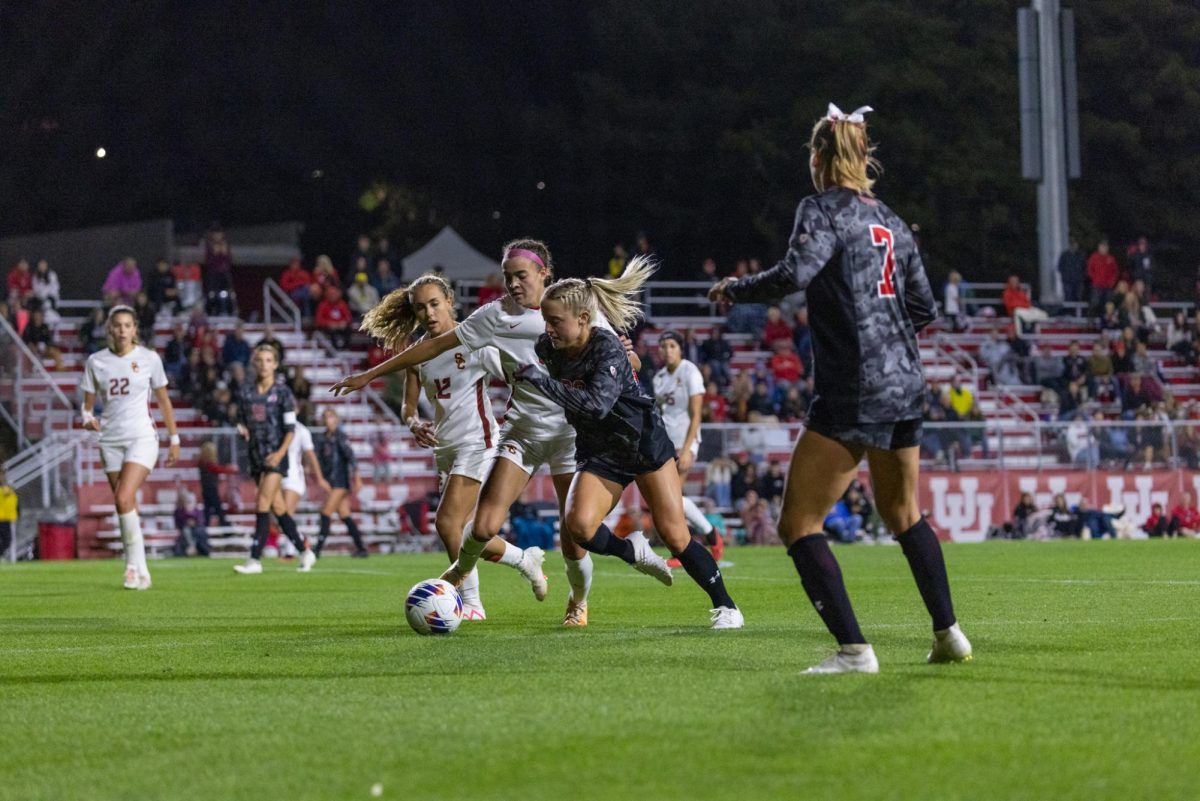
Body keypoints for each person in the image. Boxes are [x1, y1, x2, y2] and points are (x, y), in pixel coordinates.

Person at [709, 102, 971, 672]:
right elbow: (923, 305)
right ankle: (949, 634)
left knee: (798, 523)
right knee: (904, 512)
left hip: (856, 384)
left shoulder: (821, 209)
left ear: (819, 156)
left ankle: (854, 650)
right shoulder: (894, 222)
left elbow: (793, 274)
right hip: (907, 381)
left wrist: (735, 288)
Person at [332, 239, 642, 627]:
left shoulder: (577, 308)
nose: (512, 283)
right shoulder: (493, 317)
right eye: (508, 276)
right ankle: (476, 586)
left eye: (521, 276)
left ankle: (577, 601)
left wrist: (628, 358)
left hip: (569, 433)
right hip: (523, 432)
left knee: (572, 535)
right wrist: (370, 375)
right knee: (478, 526)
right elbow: (433, 349)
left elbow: (626, 361)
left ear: (544, 273)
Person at [513, 268, 744, 629]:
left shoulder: (605, 346)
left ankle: (727, 606)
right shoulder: (550, 348)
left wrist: (543, 383)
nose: (548, 329)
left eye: (555, 320)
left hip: (641, 442)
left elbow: (595, 405)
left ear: (583, 318)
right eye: (545, 320)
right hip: (600, 448)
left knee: (676, 536)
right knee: (579, 526)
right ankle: (633, 550)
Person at [362, 273, 507, 618]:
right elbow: (408, 407)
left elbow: (515, 372)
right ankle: (526, 561)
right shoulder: (418, 355)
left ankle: (471, 603)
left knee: (446, 524)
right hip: (445, 447)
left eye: (434, 304)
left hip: (479, 440)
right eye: (420, 308)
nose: (428, 314)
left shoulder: (474, 340)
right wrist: (413, 423)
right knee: (468, 531)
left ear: (450, 302)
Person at [80, 306, 181, 589]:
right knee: (124, 503)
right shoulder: (96, 362)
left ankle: (132, 569)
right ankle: (141, 569)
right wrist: (88, 420)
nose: (122, 330)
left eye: (127, 325)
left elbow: (163, 401)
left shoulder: (149, 358)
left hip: (142, 437)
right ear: (109, 329)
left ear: (135, 329)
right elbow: (86, 408)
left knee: (124, 497)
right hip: (110, 439)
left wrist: (175, 439)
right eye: (118, 325)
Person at [232, 344, 310, 574]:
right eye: (259, 360)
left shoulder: (283, 393)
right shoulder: (246, 392)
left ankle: (255, 559)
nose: (264, 365)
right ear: (254, 364)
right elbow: (240, 419)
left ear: (275, 364)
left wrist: (280, 453)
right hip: (256, 455)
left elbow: (290, 428)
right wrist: (241, 427)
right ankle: (305, 551)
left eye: (268, 360)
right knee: (278, 508)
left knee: (262, 502)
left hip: (276, 457)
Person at [651, 331, 723, 564]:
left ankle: (683, 548)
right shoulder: (659, 378)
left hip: (684, 441)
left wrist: (688, 447)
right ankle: (710, 534)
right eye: (663, 346)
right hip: (666, 443)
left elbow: (696, 414)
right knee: (672, 498)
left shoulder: (690, 371)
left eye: (672, 345)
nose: (667, 350)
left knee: (671, 498)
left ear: (680, 349)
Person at [313, 408, 368, 558]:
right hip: (332, 481)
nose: (327, 419)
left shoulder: (340, 437)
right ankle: (361, 548)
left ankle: (316, 550)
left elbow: (351, 457)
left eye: (330, 416)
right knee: (345, 515)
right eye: (325, 417)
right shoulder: (323, 438)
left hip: (340, 481)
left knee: (326, 513)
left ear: (336, 419)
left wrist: (357, 477)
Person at [273, 419, 324, 571]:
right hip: (276, 475)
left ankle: (292, 551)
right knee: (280, 518)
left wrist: (319, 478)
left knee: (286, 514)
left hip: (293, 478)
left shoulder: (301, 430)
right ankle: (302, 540)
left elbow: (310, 454)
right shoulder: (274, 423)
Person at [1087, 239, 1119, 313]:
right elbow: (1089, 269)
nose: (1104, 248)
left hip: (1108, 286)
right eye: (1102, 246)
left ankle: (1105, 320)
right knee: (1094, 303)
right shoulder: (1094, 257)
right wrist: (1094, 279)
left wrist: (1112, 282)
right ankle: (1090, 319)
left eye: (1105, 246)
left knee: (1107, 304)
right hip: (1096, 285)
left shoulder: (1111, 258)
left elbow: (1115, 271)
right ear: (1099, 247)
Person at [1057, 239, 1086, 305]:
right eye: (1072, 244)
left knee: (1078, 298)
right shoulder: (1064, 255)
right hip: (1068, 281)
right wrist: (1065, 276)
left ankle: (1078, 313)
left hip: (1078, 281)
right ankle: (1069, 312)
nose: (1073, 246)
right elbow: (1060, 267)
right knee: (1068, 297)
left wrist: (1082, 277)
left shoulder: (1080, 255)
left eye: (1075, 244)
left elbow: (1084, 267)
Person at [0, 467, 17, 559]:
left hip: (6, 518)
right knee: (6, 540)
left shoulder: (8, 488)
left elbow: (14, 502)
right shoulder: (5, 489)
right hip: (2, 518)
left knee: (7, 541)